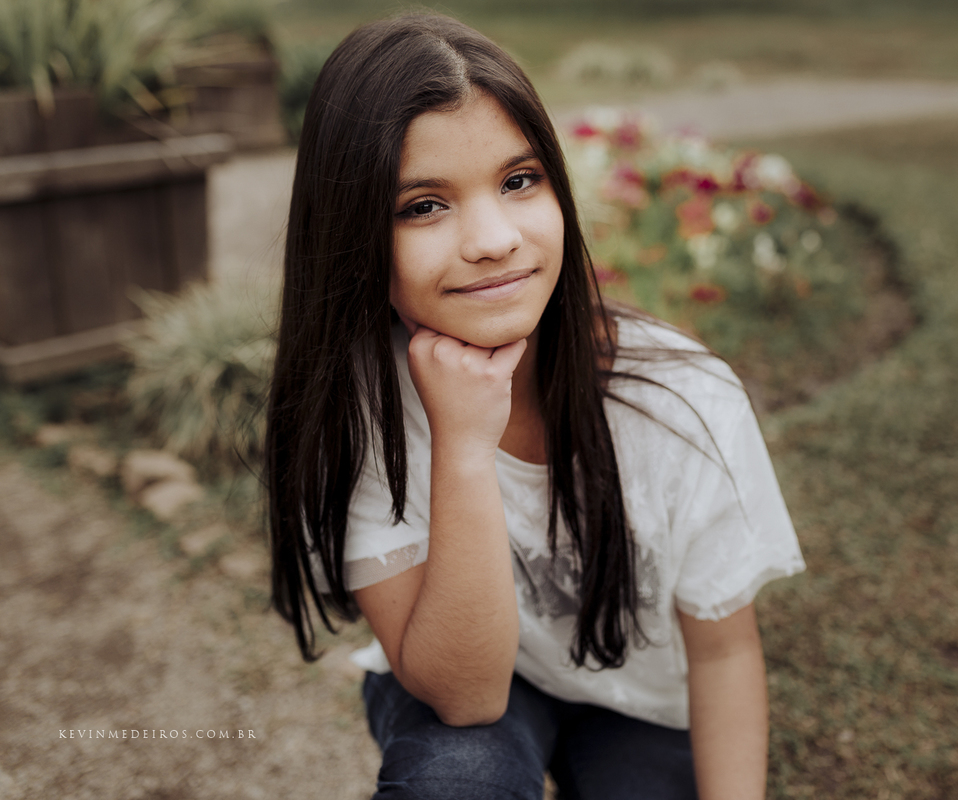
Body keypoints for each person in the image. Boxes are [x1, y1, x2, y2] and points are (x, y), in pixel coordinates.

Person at [266, 12, 805, 800]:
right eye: (422, 204)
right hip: (477, 673)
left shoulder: (684, 400)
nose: (492, 239)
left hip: (639, 702)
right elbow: (467, 694)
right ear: (352, 237)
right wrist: (460, 441)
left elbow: (725, 656)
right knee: (455, 780)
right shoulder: (361, 404)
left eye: (519, 181)